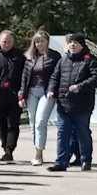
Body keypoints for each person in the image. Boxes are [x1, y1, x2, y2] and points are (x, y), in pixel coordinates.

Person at [48, 33, 97, 172]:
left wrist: (80, 86)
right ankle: (61, 162)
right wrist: (51, 90)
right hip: (63, 103)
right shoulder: (63, 60)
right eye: (70, 42)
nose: (72, 45)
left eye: (76, 42)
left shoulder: (90, 60)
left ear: (82, 45)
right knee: (62, 133)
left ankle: (86, 160)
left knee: (82, 133)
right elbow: (54, 77)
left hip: (82, 105)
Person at [0, 29, 27, 164]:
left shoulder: (20, 58)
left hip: (15, 96)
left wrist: (23, 93)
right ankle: (4, 147)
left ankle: (9, 150)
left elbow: (25, 77)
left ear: (13, 42)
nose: (6, 44)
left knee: (13, 123)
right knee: (1, 124)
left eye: (8, 41)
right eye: (4, 41)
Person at [23, 28, 61, 166]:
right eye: (37, 41)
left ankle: (38, 154)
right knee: (33, 122)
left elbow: (57, 75)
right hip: (31, 92)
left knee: (40, 121)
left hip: (47, 93)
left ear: (47, 42)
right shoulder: (29, 57)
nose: (39, 44)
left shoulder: (55, 56)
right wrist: (21, 95)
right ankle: (37, 150)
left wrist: (52, 90)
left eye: (42, 41)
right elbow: (24, 77)